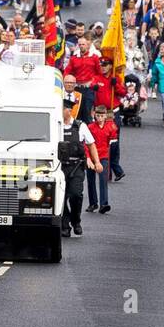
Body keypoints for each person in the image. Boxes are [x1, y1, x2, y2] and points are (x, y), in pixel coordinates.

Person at [58, 99, 100, 238]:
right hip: (59, 167)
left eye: (64, 108)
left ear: (69, 110)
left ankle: (76, 221)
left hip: (76, 167)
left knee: (76, 195)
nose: (61, 110)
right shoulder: (55, 126)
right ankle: (65, 225)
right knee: (61, 198)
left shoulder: (80, 126)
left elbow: (91, 144)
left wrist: (97, 162)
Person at [85, 105, 117, 214]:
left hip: (103, 157)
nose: (99, 118)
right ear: (94, 115)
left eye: (101, 116)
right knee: (90, 180)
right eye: (97, 115)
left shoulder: (110, 127)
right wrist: (88, 158)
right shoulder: (90, 127)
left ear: (105, 116)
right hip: (91, 156)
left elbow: (112, 141)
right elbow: (86, 144)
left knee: (103, 180)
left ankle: (104, 204)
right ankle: (93, 203)